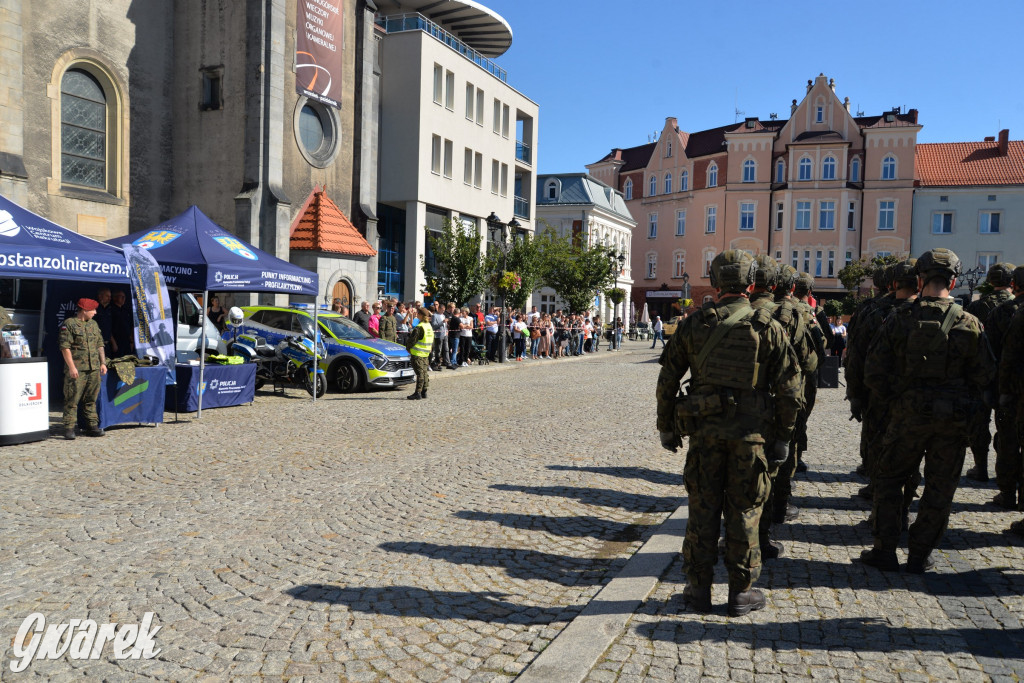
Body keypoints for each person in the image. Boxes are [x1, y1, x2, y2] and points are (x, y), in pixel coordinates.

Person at [657, 250, 801, 616]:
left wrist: (666, 428)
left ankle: (697, 589)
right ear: (752, 283)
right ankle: (741, 592)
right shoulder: (767, 326)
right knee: (745, 511)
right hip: (751, 438)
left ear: (715, 281)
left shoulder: (694, 324)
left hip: (704, 436)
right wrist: (783, 438)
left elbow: (668, 380)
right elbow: (789, 390)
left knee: (702, 511)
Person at [861, 248, 995, 573]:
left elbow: (874, 371)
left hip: (906, 415)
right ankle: (920, 555)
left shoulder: (899, 318)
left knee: (891, 479)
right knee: (940, 486)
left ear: (919, 279)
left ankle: (885, 549)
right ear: (953, 279)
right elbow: (986, 379)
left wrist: (894, 403)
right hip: (952, 421)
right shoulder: (970, 324)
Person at [964, 262, 1015, 482]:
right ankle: (1008, 474)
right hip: (1012, 376)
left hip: (983, 373)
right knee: (1010, 426)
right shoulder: (1017, 306)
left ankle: (980, 467)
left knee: (979, 423)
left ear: (990, 281)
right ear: (1012, 282)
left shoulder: (978, 306)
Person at [984, 266, 1024, 510]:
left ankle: (1008, 492)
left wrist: (997, 389)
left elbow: (997, 353)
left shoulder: (1005, 311)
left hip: (1010, 389)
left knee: (1008, 442)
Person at [59, 298, 108, 440]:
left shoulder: (93, 324)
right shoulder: (69, 324)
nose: (95, 312)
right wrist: (71, 367)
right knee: (72, 399)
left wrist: (103, 363)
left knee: (91, 399)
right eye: (93, 310)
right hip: (77, 369)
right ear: (84, 310)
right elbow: (65, 347)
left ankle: (92, 426)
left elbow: (100, 344)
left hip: (93, 368)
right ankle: (68, 428)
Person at [405, 307, 434, 400]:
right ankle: (424, 391)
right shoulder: (429, 326)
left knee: (420, 373)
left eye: (418, 313)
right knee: (424, 372)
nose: (417, 315)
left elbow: (412, 340)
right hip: (425, 353)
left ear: (421, 315)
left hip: (417, 353)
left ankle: (418, 392)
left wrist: (408, 348)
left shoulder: (420, 327)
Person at [109, 290, 134, 358]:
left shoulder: (126, 311)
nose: (123, 299)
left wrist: (132, 342)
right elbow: (108, 328)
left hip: (127, 342)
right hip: (116, 342)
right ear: (114, 298)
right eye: (121, 296)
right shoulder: (110, 310)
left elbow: (131, 326)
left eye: (124, 297)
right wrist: (113, 343)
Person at [94, 287, 113, 356]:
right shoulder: (94, 308)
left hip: (107, 344)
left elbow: (109, 328)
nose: (109, 298)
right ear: (100, 296)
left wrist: (113, 342)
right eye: (107, 296)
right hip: (95, 344)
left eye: (110, 296)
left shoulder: (110, 309)